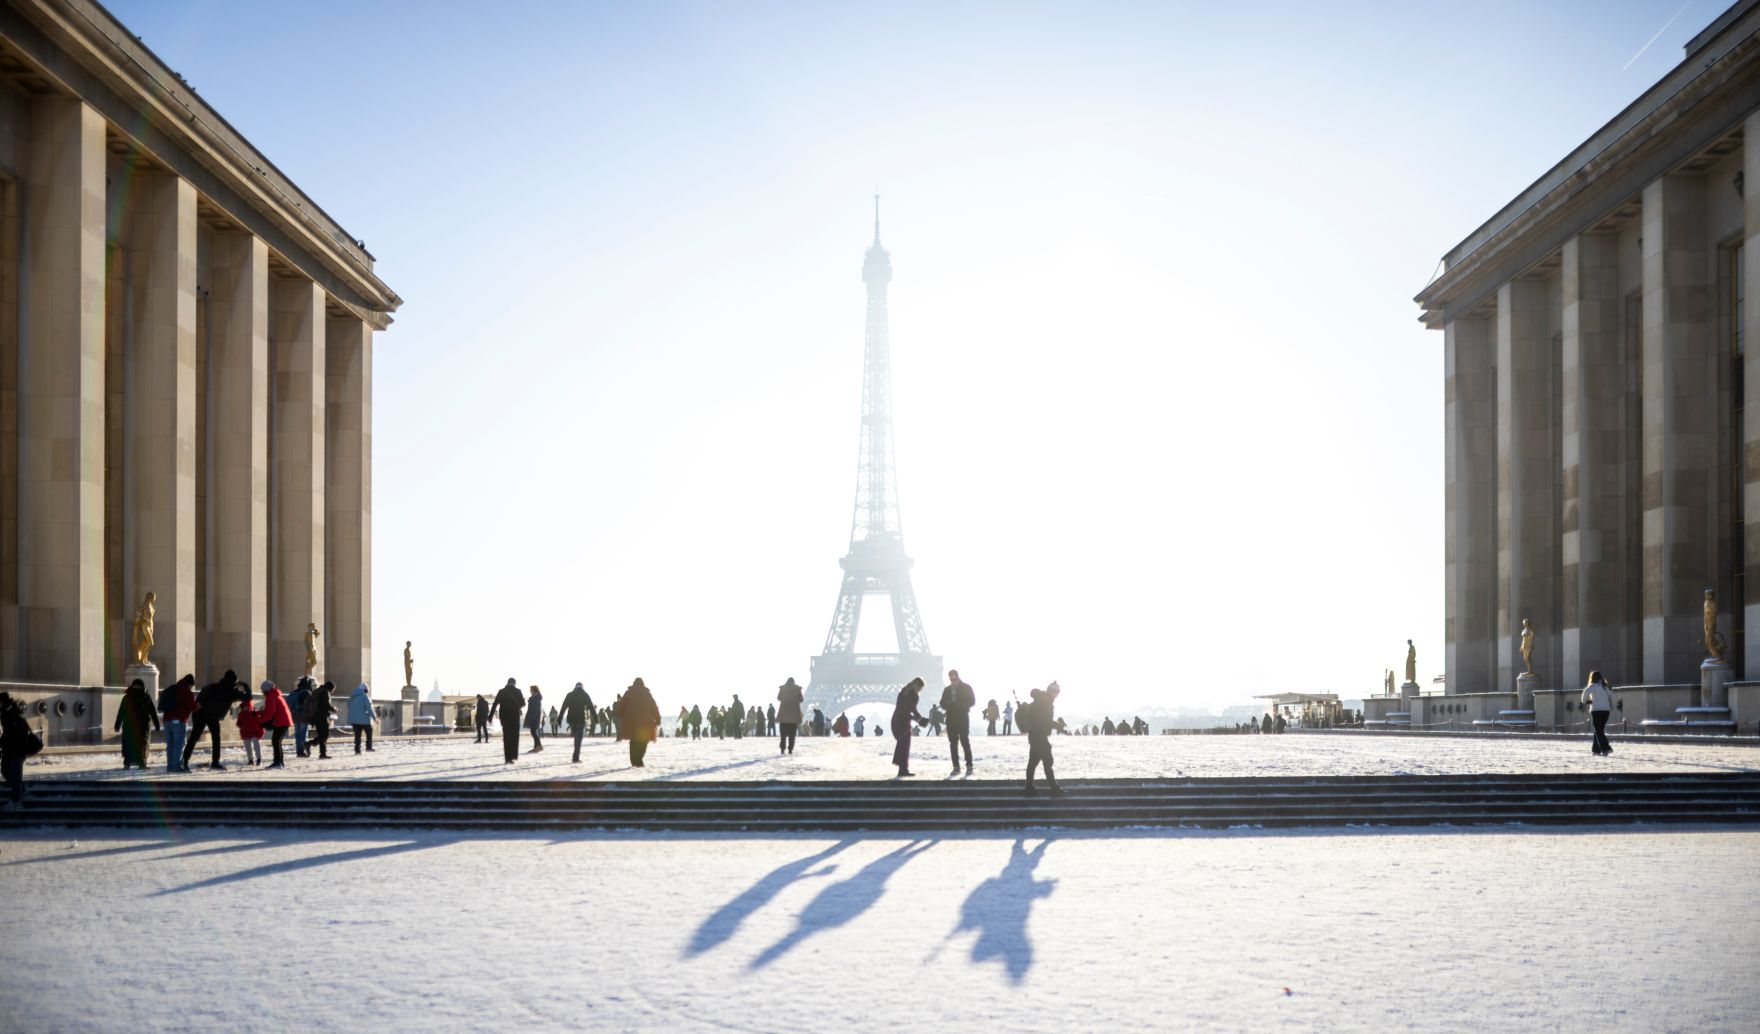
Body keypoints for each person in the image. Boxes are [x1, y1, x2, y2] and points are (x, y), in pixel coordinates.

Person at [184, 669, 248, 771]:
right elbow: (248, 697)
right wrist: (245, 686)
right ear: (233, 681)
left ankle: (185, 761)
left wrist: (195, 715)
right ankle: (215, 762)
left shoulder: (213, 687)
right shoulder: (231, 692)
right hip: (210, 717)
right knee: (215, 739)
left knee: (194, 738)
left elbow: (198, 700)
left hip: (202, 715)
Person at [1020, 682, 1063, 797]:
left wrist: (1056, 725)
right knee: (1047, 761)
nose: (1056, 696)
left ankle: (1029, 787)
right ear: (1052, 692)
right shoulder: (1044, 703)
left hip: (1036, 736)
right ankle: (1054, 789)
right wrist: (1057, 725)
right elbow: (1044, 720)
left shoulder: (1041, 701)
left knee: (1033, 762)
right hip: (1039, 736)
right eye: (1056, 693)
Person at [0, 692, 37, 807]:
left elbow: (13, 734)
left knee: (14, 774)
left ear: (4, 703)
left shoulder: (12, 714)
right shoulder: (6, 714)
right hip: (10, 749)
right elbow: (7, 733)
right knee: (5, 771)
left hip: (18, 750)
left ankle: (16, 801)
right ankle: (23, 791)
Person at [114, 678, 159, 769]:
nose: (137, 688)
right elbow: (152, 711)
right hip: (140, 725)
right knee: (140, 743)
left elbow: (121, 712)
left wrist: (117, 725)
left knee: (131, 743)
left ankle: (130, 764)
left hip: (133, 725)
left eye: (138, 686)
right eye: (136, 686)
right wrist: (156, 724)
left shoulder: (129, 697)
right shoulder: (144, 696)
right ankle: (139, 763)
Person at [616, 678, 661, 767]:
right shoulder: (646, 694)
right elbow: (654, 707)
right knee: (643, 740)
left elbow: (621, 705)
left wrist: (620, 715)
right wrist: (658, 718)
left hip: (631, 721)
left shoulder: (629, 693)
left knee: (634, 741)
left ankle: (634, 760)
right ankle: (639, 759)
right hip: (645, 721)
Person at [890, 677, 929, 778]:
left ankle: (902, 769)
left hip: (897, 721)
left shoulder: (904, 692)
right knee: (904, 746)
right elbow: (909, 710)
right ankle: (903, 769)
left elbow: (909, 710)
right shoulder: (912, 695)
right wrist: (919, 720)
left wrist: (919, 719)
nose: (920, 691)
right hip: (902, 722)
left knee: (903, 745)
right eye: (921, 688)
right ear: (918, 686)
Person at [159, 674, 197, 773]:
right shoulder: (185, 691)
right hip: (179, 721)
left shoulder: (173, 688)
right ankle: (176, 766)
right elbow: (192, 706)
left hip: (167, 721)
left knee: (170, 745)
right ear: (190, 684)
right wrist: (198, 705)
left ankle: (170, 766)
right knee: (178, 744)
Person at [941, 670, 976, 776]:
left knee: (964, 741)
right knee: (953, 744)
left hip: (962, 717)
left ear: (957, 677)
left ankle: (969, 765)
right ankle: (956, 766)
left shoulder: (966, 687)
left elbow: (972, 701)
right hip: (952, 718)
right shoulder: (947, 690)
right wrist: (949, 705)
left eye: (954, 678)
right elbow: (942, 703)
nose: (952, 680)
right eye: (951, 678)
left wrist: (960, 704)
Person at [258, 681, 294, 768]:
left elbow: (271, 711)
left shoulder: (271, 696)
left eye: (263, 690)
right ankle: (280, 763)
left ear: (266, 689)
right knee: (277, 741)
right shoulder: (275, 694)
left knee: (276, 741)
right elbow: (270, 710)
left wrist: (261, 721)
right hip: (283, 720)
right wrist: (260, 713)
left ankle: (278, 763)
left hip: (281, 721)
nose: (262, 692)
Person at [492, 678, 525, 764]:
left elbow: (495, 703)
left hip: (504, 717)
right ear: (514, 683)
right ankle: (513, 755)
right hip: (515, 716)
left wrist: (490, 715)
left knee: (507, 737)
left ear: (507, 683)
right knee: (514, 736)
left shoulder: (501, 691)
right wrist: (517, 706)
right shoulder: (518, 691)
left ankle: (507, 758)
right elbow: (523, 703)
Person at [1583, 670, 1615, 756]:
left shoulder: (1592, 686)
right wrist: (1611, 707)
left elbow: (1584, 698)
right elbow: (1612, 697)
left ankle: (1606, 748)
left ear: (1592, 678)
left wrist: (1589, 702)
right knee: (1598, 730)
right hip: (1606, 711)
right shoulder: (1606, 686)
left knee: (1598, 730)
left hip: (1596, 711)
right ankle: (1596, 750)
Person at [562, 682, 596, 763]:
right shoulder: (585, 695)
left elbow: (564, 706)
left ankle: (574, 734)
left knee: (575, 736)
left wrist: (560, 717)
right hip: (581, 719)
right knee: (578, 739)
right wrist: (595, 717)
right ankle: (575, 757)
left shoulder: (570, 695)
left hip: (572, 719)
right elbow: (591, 706)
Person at [236, 687, 266, 765]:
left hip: (254, 731)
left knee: (256, 745)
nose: (246, 708)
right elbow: (238, 723)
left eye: (248, 707)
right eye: (245, 707)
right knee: (248, 747)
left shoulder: (254, 713)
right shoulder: (241, 714)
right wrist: (240, 724)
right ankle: (250, 760)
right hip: (245, 732)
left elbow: (262, 713)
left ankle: (259, 758)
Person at [307, 681, 336, 760]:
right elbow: (326, 705)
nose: (333, 691)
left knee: (322, 735)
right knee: (325, 735)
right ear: (330, 687)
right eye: (333, 689)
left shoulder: (318, 690)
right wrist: (333, 709)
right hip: (321, 717)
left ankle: (323, 754)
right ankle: (309, 744)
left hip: (315, 717)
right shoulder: (325, 692)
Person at [286, 677, 313, 758]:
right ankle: (302, 750)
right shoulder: (307, 692)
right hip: (303, 715)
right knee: (303, 734)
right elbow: (310, 705)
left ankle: (299, 751)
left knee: (297, 734)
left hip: (295, 715)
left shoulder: (294, 692)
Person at [347, 683, 376, 754]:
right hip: (364, 720)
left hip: (354, 720)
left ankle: (357, 750)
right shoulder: (365, 697)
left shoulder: (352, 697)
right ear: (365, 690)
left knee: (357, 736)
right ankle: (368, 747)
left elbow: (349, 706)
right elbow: (369, 709)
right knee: (369, 732)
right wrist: (374, 718)